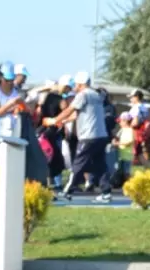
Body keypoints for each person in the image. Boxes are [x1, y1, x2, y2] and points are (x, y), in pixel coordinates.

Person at [50, 70, 112, 203]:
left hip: (88, 136)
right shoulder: (96, 95)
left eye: (76, 84)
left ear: (81, 84)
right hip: (101, 135)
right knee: (100, 164)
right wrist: (64, 121)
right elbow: (79, 114)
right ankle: (106, 192)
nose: (75, 87)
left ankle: (67, 191)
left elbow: (69, 110)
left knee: (78, 162)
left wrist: (54, 120)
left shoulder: (82, 95)